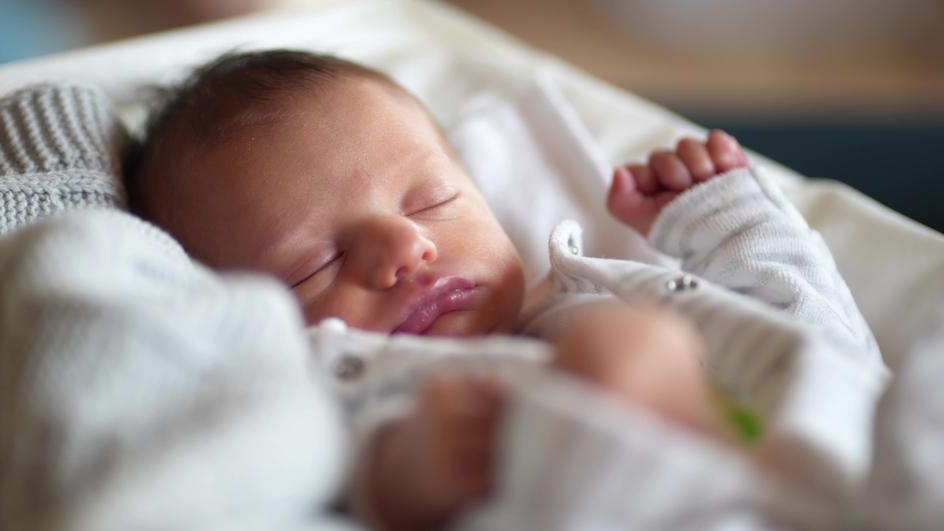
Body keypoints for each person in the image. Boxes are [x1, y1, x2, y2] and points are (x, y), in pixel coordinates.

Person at [125, 50, 883, 530]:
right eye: (312, 265)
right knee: (616, 351)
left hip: (856, 482)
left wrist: (729, 222)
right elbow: (309, 479)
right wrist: (403, 477)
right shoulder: (348, 380)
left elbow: (825, 347)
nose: (402, 247)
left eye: (429, 202)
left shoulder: (615, 287)